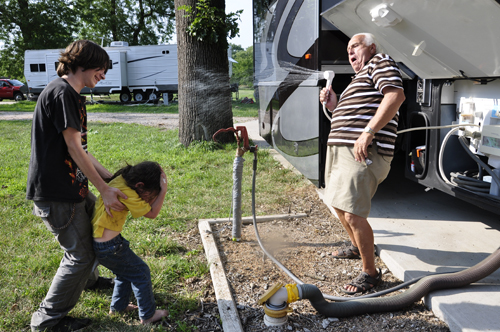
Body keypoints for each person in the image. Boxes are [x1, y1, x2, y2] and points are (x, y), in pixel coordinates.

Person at [27, 40, 128, 332]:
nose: (104, 76)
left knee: (96, 235)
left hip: (71, 188)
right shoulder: (62, 93)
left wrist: (109, 179)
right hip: (58, 194)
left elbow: (80, 148)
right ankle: (47, 320)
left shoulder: (70, 94)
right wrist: (105, 191)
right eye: (101, 69)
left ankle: (90, 281)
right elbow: (73, 149)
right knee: (80, 255)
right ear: (82, 65)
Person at [319, 33, 406, 294]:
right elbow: (354, 112)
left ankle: (371, 273)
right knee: (338, 204)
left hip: (361, 151)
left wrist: (368, 132)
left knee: (353, 213)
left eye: (354, 46)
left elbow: (395, 96)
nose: (350, 52)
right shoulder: (358, 78)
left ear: (371, 47)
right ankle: (357, 247)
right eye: (348, 50)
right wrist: (334, 104)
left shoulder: (380, 62)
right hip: (341, 149)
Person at [91, 161, 168, 325]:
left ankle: (118, 307)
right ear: (140, 185)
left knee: (125, 273)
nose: (149, 199)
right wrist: (163, 190)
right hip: (110, 246)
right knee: (141, 272)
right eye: (150, 194)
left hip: (107, 244)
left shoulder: (122, 179)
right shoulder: (127, 194)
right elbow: (152, 213)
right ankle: (148, 315)